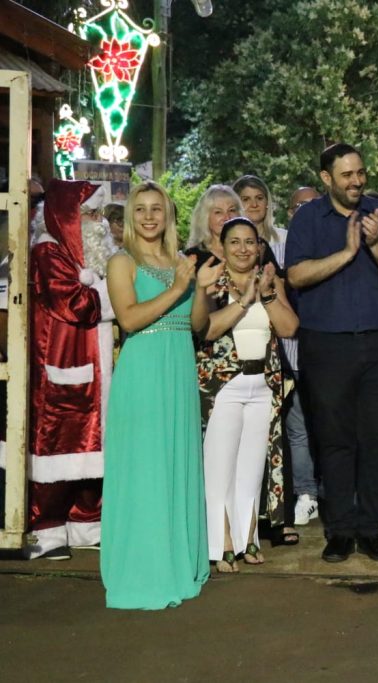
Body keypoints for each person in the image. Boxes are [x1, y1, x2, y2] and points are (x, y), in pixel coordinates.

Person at [286, 142, 378, 564]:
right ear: (326, 179)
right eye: (346, 175)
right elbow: (297, 275)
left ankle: (371, 529)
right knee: (334, 440)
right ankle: (339, 530)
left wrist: (375, 244)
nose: (357, 181)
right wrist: (345, 253)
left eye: (360, 172)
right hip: (326, 344)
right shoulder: (307, 218)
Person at [101, 181, 221, 609]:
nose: (150, 217)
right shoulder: (122, 261)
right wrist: (177, 287)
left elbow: (196, 325)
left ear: (168, 216)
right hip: (144, 372)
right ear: (131, 217)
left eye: (157, 209)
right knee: (146, 466)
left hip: (177, 368)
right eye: (141, 209)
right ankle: (144, 567)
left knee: (175, 463)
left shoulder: (180, 261)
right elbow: (129, 319)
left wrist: (200, 287)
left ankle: (175, 557)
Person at [22, 181, 117, 559]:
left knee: (91, 448)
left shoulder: (84, 256)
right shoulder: (48, 252)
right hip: (59, 365)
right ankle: (46, 530)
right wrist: (118, 294)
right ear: (67, 218)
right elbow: (77, 304)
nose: (101, 223)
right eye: (91, 215)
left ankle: (84, 523)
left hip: (90, 368)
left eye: (100, 215)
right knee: (57, 446)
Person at [197, 217, 298, 572]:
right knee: (220, 468)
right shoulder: (212, 283)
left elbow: (289, 327)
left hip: (262, 386)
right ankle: (221, 541)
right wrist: (244, 301)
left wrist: (266, 293)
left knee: (252, 468)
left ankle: (248, 537)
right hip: (224, 386)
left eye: (250, 242)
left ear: (259, 247)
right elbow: (207, 330)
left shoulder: (267, 282)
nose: (243, 249)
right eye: (235, 242)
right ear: (222, 247)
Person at [283, 186, 320, 527]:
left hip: (327, 355)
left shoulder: (331, 245)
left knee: (329, 428)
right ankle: (306, 493)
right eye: (299, 206)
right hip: (290, 354)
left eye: (313, 204)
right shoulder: (278, 247)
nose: (306, 211)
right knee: (298, 431)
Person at [233, 175, 288, 265]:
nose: (254, 204)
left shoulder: (285, 239)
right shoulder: (227, 244)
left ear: (267, 202)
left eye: (259, 198)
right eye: (246, 199)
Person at [185, 185, 241, 265]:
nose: (227, 218)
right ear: (205, 217)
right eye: (218, 212)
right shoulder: (193, 256)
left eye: (231, 210)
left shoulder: (250, 251)